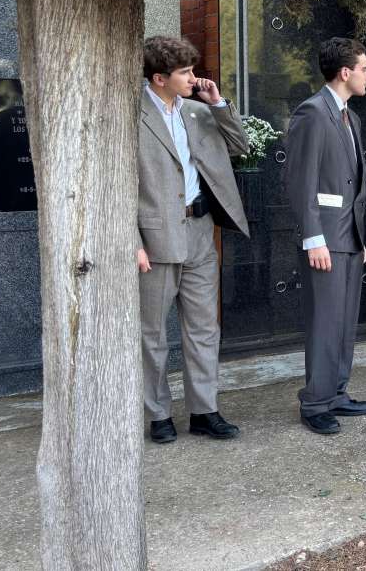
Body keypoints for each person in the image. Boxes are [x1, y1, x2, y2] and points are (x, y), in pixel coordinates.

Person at [137, 36, 249, 444]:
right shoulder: (132, 117)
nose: (194, 77)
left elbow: (240, 145)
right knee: (152, 334)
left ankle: (204, 410)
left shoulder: (201, 113)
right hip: (155, 238)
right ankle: (159, 414)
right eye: (184, 72)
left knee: (204, 328)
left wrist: (218, 104)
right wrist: (133, 241)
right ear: (159, 78)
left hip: (201, 232)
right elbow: (117, 184)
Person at [284, 37, 366, 435]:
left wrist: (360, 237)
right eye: (364, 68)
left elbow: (353, 185)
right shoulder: (313, 113)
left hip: (350, 239)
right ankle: (315, 402)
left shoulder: (349, 118)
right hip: (324, 241)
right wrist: (313, 238)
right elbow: (300, 181)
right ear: (345, 73)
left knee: (344, 323)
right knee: (324, 322)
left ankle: (336, 393)